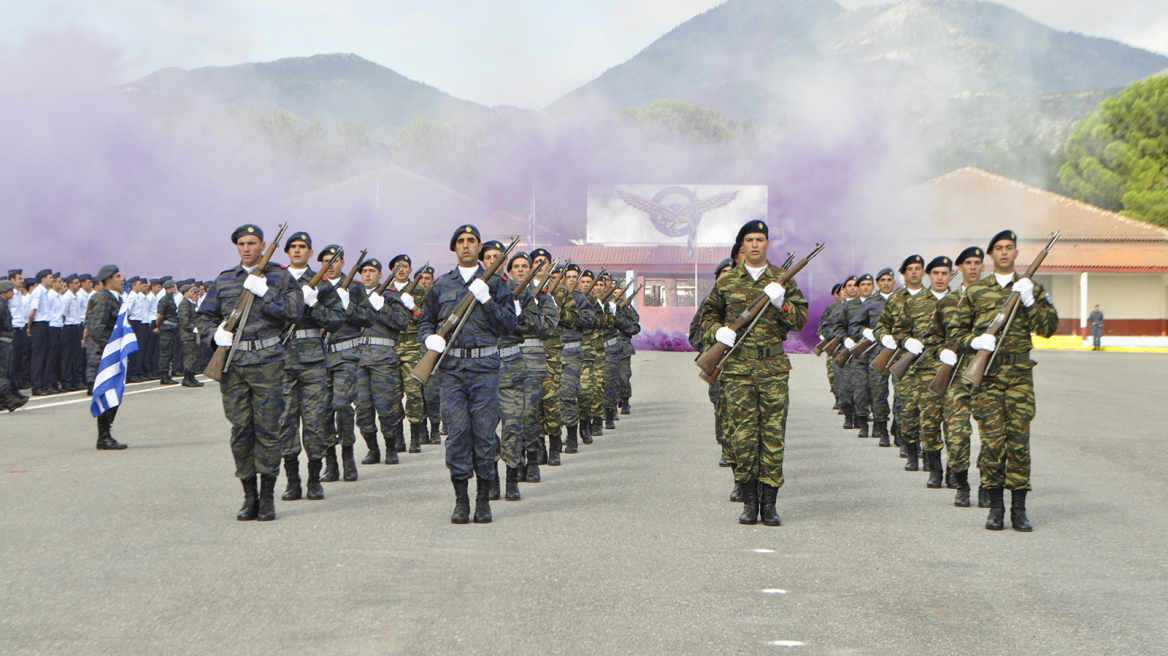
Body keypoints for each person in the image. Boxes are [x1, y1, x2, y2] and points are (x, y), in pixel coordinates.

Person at [698, 220, 808, 527]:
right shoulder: (727, 281)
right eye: (750, 240)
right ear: (742, 246)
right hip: (737, 371)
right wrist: (718, 332)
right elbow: (707, 315)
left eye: (761, 239)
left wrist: (782, 303)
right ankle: (749, 502)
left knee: (772, 437)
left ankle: (769, 504)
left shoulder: (782, 280)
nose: (756, 244)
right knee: (743, 437)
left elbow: (800, 321)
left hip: (773, 368)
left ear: (768, 244)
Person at [196, 224, 304, 522]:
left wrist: (266, 293)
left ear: (263, 245)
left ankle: (267, 497)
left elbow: (295, 313)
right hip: (233, 365)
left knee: (268, 430)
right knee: (241, 429)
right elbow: (204, 315)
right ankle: (249, 496)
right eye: (241, 243)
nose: (246, 248)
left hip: (268, 363)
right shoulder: (225, 279)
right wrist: (214, 334)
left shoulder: (280, 277)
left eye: (252, 243)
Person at [952, 230, 1058, 531]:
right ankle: (996, 508)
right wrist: (975, 341)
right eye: (998, 248)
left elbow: (1048, 327)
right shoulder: (975, 292)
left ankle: (1019, 510)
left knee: (1019, 444)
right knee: (992, 444)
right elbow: (955, 332)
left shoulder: (1031, 288)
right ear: (990, 255)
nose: (1003, 252)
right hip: (987, 377)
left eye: (1009, 247)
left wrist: (1028, 301)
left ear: (1016, 253)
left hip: (1019, 378)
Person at [417, 225, 517, 524]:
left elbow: (510, 325)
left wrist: (486, 300)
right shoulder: (441, 285)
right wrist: (428, 340)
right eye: (460, 242)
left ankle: (483, 500)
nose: (465, 246)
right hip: (451, 370)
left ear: (479, 247)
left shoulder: (496, 284)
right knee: (457, 435)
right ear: (454, 248)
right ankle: (461, 500)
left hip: (484, 369)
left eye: (471, 241)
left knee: (485, 435)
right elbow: (426, 321)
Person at [277, 232, 345, 501]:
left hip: (313, 362)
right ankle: (293, 481)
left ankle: (314, 479)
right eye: (292, 247)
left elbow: (337, 320)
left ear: (309, 252)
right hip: (281, 360)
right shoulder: (276, 280)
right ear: (287, 252)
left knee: (315, 422)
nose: (297, 250)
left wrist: (313, 303)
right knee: (285, 422)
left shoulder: (323, 284)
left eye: (302, 247)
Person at [496, 250, 556, 499]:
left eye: (525, 266)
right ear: (509, 271)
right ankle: (514, 459)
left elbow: (549, 327)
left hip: (531, 360)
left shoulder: (542, 296)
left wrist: (521, 318)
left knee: (528, 413)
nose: (520, 269)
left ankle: (532, 459)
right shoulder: (500, 293)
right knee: (508, 418)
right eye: (516, 266)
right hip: (504, 359)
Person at [893, 256, 953, 485]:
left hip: (955, 372)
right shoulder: (914, 303)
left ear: (950, 275)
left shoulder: (961, 302)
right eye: (935, 273)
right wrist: (906, 342)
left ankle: (954, 472)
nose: (940, 277)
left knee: (956, 426)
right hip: (925, 371)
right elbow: (898, 330)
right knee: (927, 423)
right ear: (930, 275)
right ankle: (934, 468)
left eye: (944, 273)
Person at [318, 246, 374, 478]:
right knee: (322, 411)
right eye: (326, 261)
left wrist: (347, 306)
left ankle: (348, 456)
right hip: (318, 356)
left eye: (335, 260)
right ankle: (330, 461)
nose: (330, 265)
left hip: (346, 356)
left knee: (342, 405)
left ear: (342, 262)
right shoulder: (315, 287)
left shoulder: (355, 288)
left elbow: (369, 318)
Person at [937, 246, 984, 507]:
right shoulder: (946, 301)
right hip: (956, 374)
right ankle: (962, 483)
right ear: (961, 268)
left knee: (991, 435)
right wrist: (942, 353)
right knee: (957, 432)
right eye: (968, 263)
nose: (974, 267)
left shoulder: (996, 298)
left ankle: (989, 485)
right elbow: (933, 337)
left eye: (978, 262)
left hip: (988, 372)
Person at [689, 258, 739, 500]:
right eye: (724, 273)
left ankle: (739, 467)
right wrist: (711, 344)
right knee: (722, 407)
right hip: (719, 363)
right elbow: (694, 332)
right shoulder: (709, 303)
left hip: (743, 364)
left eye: (733, 272)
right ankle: (726, 448)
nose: (728, 276)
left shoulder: (745, 300)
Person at [355, 256, 410, 474]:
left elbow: (402, 322)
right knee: (363, 408)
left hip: (383, 358)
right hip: (359, 358)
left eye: (371, 271)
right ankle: (372, 448)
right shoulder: (355, 295)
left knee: (385, 406)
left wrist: (382, 308)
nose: (367, 274)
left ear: (380, 275)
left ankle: (390, 447)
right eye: (364, 271)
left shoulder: (390, 296)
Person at [874, 255, 925, 460]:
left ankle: (919, 442)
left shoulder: (933, 298)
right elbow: (882, 326)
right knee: (903, 401)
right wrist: (885, 337)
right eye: (910, 269)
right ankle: (907, 443)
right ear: (904, 273)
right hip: (901, 357)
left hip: (926, 361)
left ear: (923, 272)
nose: (914, 272)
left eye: (918, 268)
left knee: (924, 404)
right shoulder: (895, 299)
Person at [86, 265, 128, 449]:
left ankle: (106, 434)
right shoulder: (103, 298)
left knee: (114, 395)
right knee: (107, 395)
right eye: (118, 276)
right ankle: (103, 437)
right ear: (108, 280)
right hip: (104, 356)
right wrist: (111, 349)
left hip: (113, 354)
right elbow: (97, 329)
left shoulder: (115, 299)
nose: (122, 279)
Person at [853, 269, 895, 444]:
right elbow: (855, 325)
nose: (886, 283)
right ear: (878, 283)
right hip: (878, 353)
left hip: (901, 353)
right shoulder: (870, 303)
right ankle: (882, 429)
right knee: (879, 394)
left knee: (902, 397)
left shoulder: (902, 300)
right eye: (883, 280)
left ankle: (900, 429)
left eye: (889, 280)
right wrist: (866, 332)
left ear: (894, 282)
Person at [559, 265, 590, 454]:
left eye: (574, 277)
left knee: (568, 393)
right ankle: (553, 440)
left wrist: (567, 312)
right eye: (567, 276)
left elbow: (588, 321)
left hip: (572, 351)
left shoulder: (580, 299)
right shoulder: (549, 297)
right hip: (551, 353)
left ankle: (572, 435)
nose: (571, 280)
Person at [828, 276, 859, 429]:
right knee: (845, 387)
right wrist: (842, 337)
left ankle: (861, 417)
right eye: (849, 286)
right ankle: (848, 415)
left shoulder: (867, 307)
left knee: (862, 388)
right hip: (844, 351)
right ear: (843, 290)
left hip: (862, 352)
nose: (852, 288)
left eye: (855, 285)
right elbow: (828, 327)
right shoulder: (837, 310)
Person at [416, 265, 442, 443]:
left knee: (432, 392)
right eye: (421, 278)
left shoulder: (437, 297)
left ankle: (434, 427)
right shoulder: (410, 296)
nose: (424, 281)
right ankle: (422, 430)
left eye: (427, 278)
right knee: (417, 393)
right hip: (411, 349)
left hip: (431, 348)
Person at [25, 269, 55, 396]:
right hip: (38, 325)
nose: (51, 279)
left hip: (45, 324)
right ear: (43, 279)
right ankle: (36, 386)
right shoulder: (38, 292)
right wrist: (30, 328)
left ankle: (42, 384)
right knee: (38, 356)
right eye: (49, 277)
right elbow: (32, 313)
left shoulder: (46, 292)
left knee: (44, 356)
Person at [0, 280, 28, 411]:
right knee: (2, 372)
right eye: (10, 291)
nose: (13, 293)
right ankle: (8, 400)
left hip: (6, 341)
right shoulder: (0, 305)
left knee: (6, 371)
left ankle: (5, 398)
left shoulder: (4, 304)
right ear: (4, 292)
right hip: (2, 342)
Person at [176, 283, 203, 387]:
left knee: (195, 356)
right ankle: (187, 378)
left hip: (193, 335)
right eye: (191, 291)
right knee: (189, 357)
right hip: (188, 335)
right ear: (185, 292)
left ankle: (192, 377)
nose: (194, 293)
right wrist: (193, 328)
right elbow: (184, 321)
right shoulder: (184, 304)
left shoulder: (191, 303)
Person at [156, 280, 181, 385]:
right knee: (165, 353)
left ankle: (167, 375)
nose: (174, 288)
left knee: (169, 352)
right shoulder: (164, 300)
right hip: (166, 330)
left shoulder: (171, 299)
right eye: (172, 287)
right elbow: (160, 315)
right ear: (167, 288)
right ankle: (164, 376)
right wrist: (159, 326)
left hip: (171, 329)